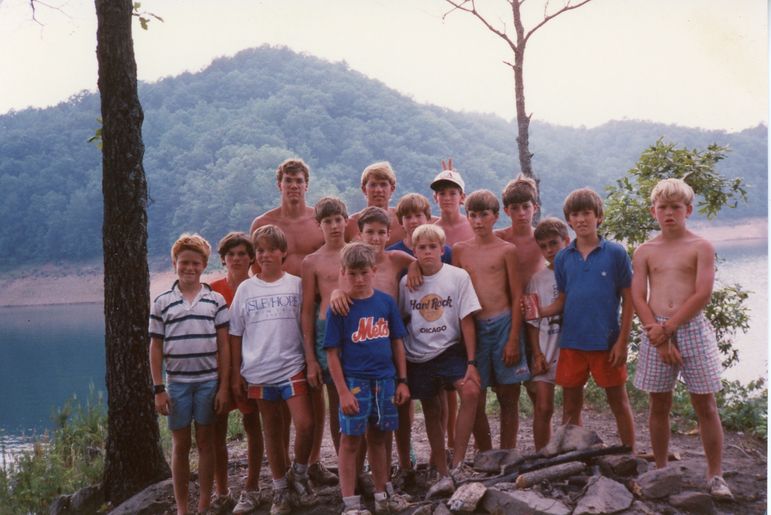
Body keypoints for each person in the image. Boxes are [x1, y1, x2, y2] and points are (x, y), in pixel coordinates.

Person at [631, 178, 733, 500]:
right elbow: (637, 295)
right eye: (663, 207)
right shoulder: (645, 250)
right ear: (653, 212)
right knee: (658, 403)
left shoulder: (701, 246)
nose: (669, 213)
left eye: (676, 207)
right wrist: (657, 335)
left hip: (689, 329)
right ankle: (661, 468)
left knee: (705, 403)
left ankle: (715, 476)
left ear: (688, 210)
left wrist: (669, 329)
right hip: (656, 330)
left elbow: (702, 292)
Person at [248, 158, 335, 486]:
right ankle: (283, 467)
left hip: (315, 308)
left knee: (316, 387)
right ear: (279, 184)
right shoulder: (264, 223)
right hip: (280, 310)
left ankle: (313, 461)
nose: (294, 185)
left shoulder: (320, 220)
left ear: (307, 184)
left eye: (299, 180)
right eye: (288, 180)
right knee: (282, 388)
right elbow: (257, 267)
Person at [229, 225, 317, 515]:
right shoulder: (246, 289)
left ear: (283, 253)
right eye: (261, 250)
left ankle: (299, 474)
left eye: (271, 250)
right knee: (273, 431)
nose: (265, 255)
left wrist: (310, 359)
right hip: (258, 369)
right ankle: (280, 490)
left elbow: (306, 324)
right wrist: (235, 372)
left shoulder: (295, 284)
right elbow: (235, 334)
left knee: (305, 424)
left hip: (291, 366)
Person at [324, 242, 411, 515]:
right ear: (343, 273)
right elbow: (332, 354)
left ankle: (382, 494)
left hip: (385, 380)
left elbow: (397, 342)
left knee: (379, 437)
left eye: (364, 272)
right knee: (350, 440)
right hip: (355, 382)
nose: (359, 279)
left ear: (374, 271)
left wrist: (403, 380)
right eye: (352, 274)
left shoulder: (385, 302)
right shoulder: (339, 308)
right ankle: (350, 503)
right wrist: (343, 392)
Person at [149, 233, 230, 515]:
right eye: (184, 262)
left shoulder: (215, 300)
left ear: (204, 265)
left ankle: (205, 504)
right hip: (177, 384)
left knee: (206, 441)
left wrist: (223, 387)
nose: (189, 268)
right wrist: (158, 388)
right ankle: (183, 509)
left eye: (195, 263)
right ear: (174, 264)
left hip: (208, 382)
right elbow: (156, 347)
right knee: (181, 444)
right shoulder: (162, 302)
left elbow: (223, 345)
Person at [399, 224, 482, 499]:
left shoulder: (457, 277)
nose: (427, 252)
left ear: (442, 249)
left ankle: (458, 462)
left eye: (432, 247)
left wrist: (471, 362)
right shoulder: (406, 282)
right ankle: (441, 469)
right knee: (432, 410)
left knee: (470, 391)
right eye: (421, 247)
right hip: (418, 354)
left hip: (449, 350)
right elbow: (402, 319)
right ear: (414, 251)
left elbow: (467, 320)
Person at [554, 188, 636, 451]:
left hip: (606, 342)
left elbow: (629, 298)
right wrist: (537, 311)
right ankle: (573, 455)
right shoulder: (563, 257)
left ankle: (629, 452)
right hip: (572, 341)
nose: (581, 219)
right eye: (575, 214)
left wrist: (622, 341)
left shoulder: (615, 253)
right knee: (570, 404)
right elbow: (564, 298)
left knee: (618, 401)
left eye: (586, 213)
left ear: (598, 217)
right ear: (568, 220)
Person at [452, 190, 531, 450]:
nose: (478, 221)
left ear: (495, 216)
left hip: (504, 322)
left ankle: (508, 452)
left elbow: (517, 294)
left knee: (509, 394)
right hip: (475, 329)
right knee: (475, 393)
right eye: (472, 215)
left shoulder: (506, 250)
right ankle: (485, 451)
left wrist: (513, 339)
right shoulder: (460, 251)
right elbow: (456, 294)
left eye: (484, 214)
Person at [387, 193, 452, 488]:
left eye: (419, 215)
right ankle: (404, 462)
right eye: (408, 217)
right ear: (400, 223)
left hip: (436, 339)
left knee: (438, 400)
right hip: (402, 338)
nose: (414, 221)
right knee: (403, 401)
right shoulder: (394, 254)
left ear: (429, 218)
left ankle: (442, 458)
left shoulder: (440, 250)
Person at [208, 232, 266, 513]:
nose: (237, 259)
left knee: (253, 425)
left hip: (251, 368)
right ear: (223, 260)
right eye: (231, 255)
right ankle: (222, 491)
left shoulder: (258, 288)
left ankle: (252, 485)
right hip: (219, 371)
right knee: (217, 429)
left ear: (252, 257)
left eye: (243, 254)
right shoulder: (213, 290)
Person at [300, 197, 349, 459]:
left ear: (346, 221)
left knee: (359, 396)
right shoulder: (312, 262)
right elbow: (307, 310)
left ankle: (360, 466)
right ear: (319, 225)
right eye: (327, 221)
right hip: (325, 330)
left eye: (338, 220)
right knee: (337, 399)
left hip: (356, 331)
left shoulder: (357, 252)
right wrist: (310, 359)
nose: (333, 226)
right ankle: (344, 466)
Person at [524, 218, 570, 451]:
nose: (549, 250)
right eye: (543, 246)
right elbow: (531, 321)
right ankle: (542, 456)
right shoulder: (536, 279)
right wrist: (537, 354)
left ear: (567, 241)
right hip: (545, 346)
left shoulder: (575, 271)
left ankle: (570, 454)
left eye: (554, 243)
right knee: (543, 407)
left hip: (571, 349)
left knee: (571, 411)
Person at [345, 161, 405, 246]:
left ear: (392, 189)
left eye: (383, 184)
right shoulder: (351, 224)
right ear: (364, 189)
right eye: (373, 185)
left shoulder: (403, 220)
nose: (378, 190)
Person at [430, 159, 474, 245]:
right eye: (442, 193)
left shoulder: (474, 226)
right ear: (435, 197)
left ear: (462, 197)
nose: (447, 198)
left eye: (452, 193)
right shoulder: (431, 232)